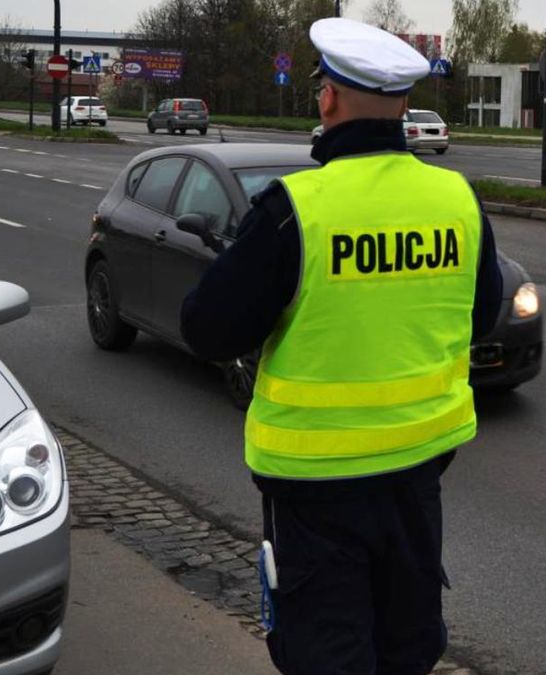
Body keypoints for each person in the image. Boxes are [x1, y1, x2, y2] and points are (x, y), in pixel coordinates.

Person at [181, 18, 504, 675]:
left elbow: (207, 328)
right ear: (404, 105)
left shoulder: (296, 209)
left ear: (327, 98)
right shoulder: (456, 199)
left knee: (326, 654)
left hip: (315, 498)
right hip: (417, 482)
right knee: (405, 652)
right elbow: (483, 312)